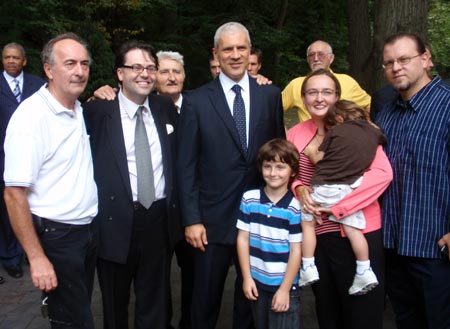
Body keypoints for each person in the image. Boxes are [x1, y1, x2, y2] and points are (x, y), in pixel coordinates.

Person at [176, 22, 285, 329]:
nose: (235, 55)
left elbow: (278, 156)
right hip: (210, 222)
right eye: (228, 49)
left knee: (250, 303)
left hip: (260, 219)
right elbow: (185, 165)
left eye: (241, 48)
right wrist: (191, 219)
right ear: (216, 53)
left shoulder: (270, 96)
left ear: (250, 52)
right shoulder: (196, 101)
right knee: (204, 302)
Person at [83, 40, 181, 329]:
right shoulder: (98, 112)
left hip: (158, 219)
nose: (145, 73)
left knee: (154, 301)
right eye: (136, 67)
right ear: (119, 73)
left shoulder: (165, 107)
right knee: (115, 304)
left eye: (151, 67)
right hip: (114, 222)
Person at [3, 33, 98, 328]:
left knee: (75, 312)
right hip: (58, 239)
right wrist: (37, 257)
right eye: (69, 63)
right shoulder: (31, 117)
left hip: (86, 233)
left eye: (84, 63)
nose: (79, 71)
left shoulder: (79, 108)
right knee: (74, 321)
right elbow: (13, 195)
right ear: (48, 69)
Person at [287, 68, 392, 329]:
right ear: (303, 98)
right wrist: (299, 188)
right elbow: (290, 174)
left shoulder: (360, 130)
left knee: (362, 313)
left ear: (337, 97)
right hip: (318, 237)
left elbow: (382, 174)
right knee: (328, 310)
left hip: (358, 232)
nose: (319, 98)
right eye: (312, 92)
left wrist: (339, 208)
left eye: (327, 92)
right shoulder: (296, 134)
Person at [375, 32, 450, 329]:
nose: (396, 67)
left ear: (426, 59)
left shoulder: (446, 106)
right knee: (406, 322)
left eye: (404, 59)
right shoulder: (386, 114)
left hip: (436, 247)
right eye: (389, 62)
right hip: (393, 245)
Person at [299, 100, 387, 296]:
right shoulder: (375, 133)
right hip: (349, 189)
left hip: (324, 187)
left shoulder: (336, 132)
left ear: (338, 118)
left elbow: (319, 159)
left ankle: (307, 266)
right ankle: (364, 269)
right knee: (353, 229)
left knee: (307, 223)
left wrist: (312, 152)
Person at [236, 138, 302, 329]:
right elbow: (242, 239)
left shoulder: (295, 208)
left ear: (293, 172)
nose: (273, 173)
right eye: (268, 166)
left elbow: (296, 250)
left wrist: (284, 289)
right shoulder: (249, 199)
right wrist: (247, 278)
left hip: (284, 287)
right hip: (256, 283)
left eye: (280, 167)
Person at [0, 42, 45, 281]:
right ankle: (10, 257)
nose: (11, 61)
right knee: (8, 209)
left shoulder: (37, 85)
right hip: (3, 158)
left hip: (34, 158)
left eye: (16, 58)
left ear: (24, 60)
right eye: (7, 57)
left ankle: (32, 252)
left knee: (33, 206)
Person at [282, 40, 371, 123]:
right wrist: (285, 134)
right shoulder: (296, 84)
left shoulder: (347, 82)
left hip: (341, 137)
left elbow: (370, 105)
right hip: (309, 137)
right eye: (312, 55)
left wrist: (365, 128)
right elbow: (273, 109)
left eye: (321, 54)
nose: (316, 59)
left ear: (331, 58)